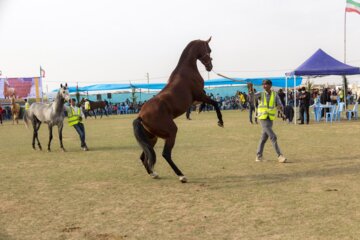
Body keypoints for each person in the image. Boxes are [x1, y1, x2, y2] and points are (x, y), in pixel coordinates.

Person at [255, 79, 287, 163]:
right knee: (273, 136)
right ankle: (280, 155)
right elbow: (251, 98)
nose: (264, 86)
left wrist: (281, 110)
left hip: (270, 119)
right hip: (263, 118)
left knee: (264, 138)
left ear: (270, 85)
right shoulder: (260, 94)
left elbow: (279, 104)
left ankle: (258, 156)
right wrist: (250, 90)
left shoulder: (274, 94)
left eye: (266, 84)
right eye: (263, 84)